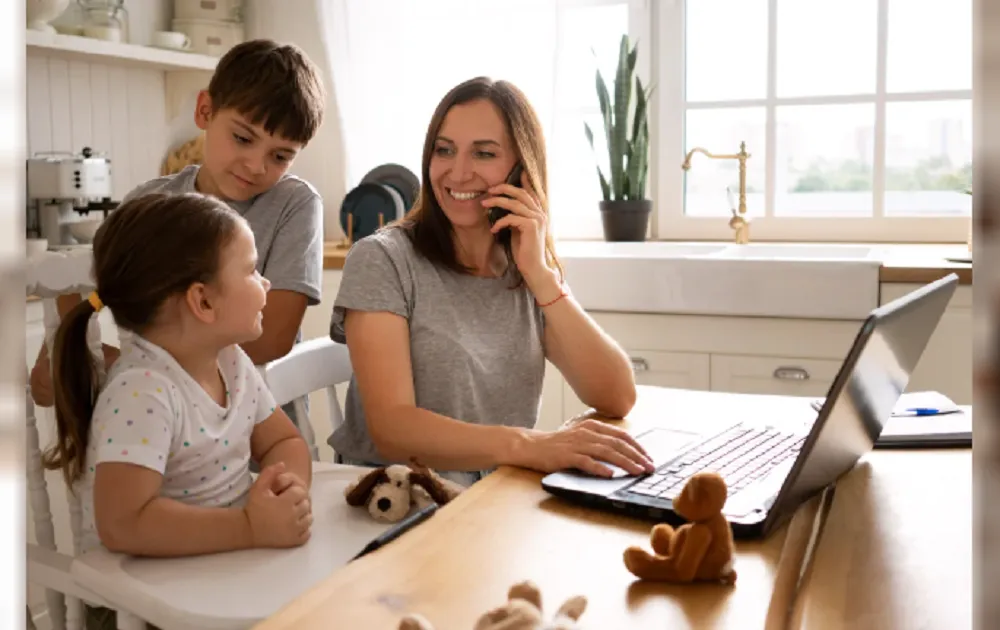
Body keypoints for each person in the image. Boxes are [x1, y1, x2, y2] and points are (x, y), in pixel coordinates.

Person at [328, 77, 653, 487]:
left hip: (495, 493)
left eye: (484, 153)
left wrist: (541, 275)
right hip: (396, 500)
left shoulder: (525, 268)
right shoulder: (382, 259)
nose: (458, 173)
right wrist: (529, 445)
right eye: (444, 150)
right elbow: (393, 431)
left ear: (522, 169)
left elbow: (616, 394)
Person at [40, 192, 314, 630]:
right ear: (203, 302)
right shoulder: (143, 391)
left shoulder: (231, 361)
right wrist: (249, 527)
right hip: (140, 606)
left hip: (216, 574)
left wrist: (285, 489)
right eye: (251, 270)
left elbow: (283, 440)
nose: (264, 283)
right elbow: (124, 523)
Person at [29, 38, 326, 434]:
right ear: (205, 110)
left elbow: (270, 340)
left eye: (280, 156)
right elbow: (78, 288)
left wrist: (125, 362)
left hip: (259, 437)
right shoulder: (149, 203)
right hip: (155, 431)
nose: (256, 165)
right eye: (242, 138)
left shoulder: (295, 204)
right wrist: (73, 355)